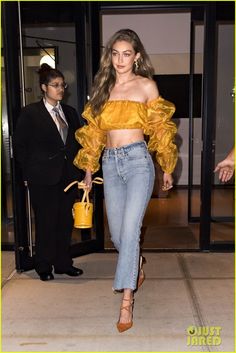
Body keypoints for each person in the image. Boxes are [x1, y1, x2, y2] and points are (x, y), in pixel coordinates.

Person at [73, 29, 178, 332]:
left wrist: (166, 166)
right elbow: (93, 134)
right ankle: (137, 264)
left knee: (130, 230)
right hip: (109, 162)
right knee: (118, 236)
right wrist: (89, 170)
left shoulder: (146, 86)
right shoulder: (102, 89)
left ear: (137, 56)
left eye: (126, 53)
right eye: (115, 53)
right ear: (110, 57)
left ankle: (126, 301)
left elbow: (161, 129)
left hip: (137, 164)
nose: (120, 59)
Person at [13, 64, 83, 281]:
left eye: (62, 85)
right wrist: (26, 174)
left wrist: (80, 173)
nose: (60, 89)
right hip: (41, 177)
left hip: (67, 177)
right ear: (44, 87)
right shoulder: (30, 113)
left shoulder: (70, 112)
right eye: (55, 85)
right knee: (45, 221)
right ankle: (43, 265)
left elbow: (77, 144)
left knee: (65, 222)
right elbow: (20, 146)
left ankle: (63, 263)